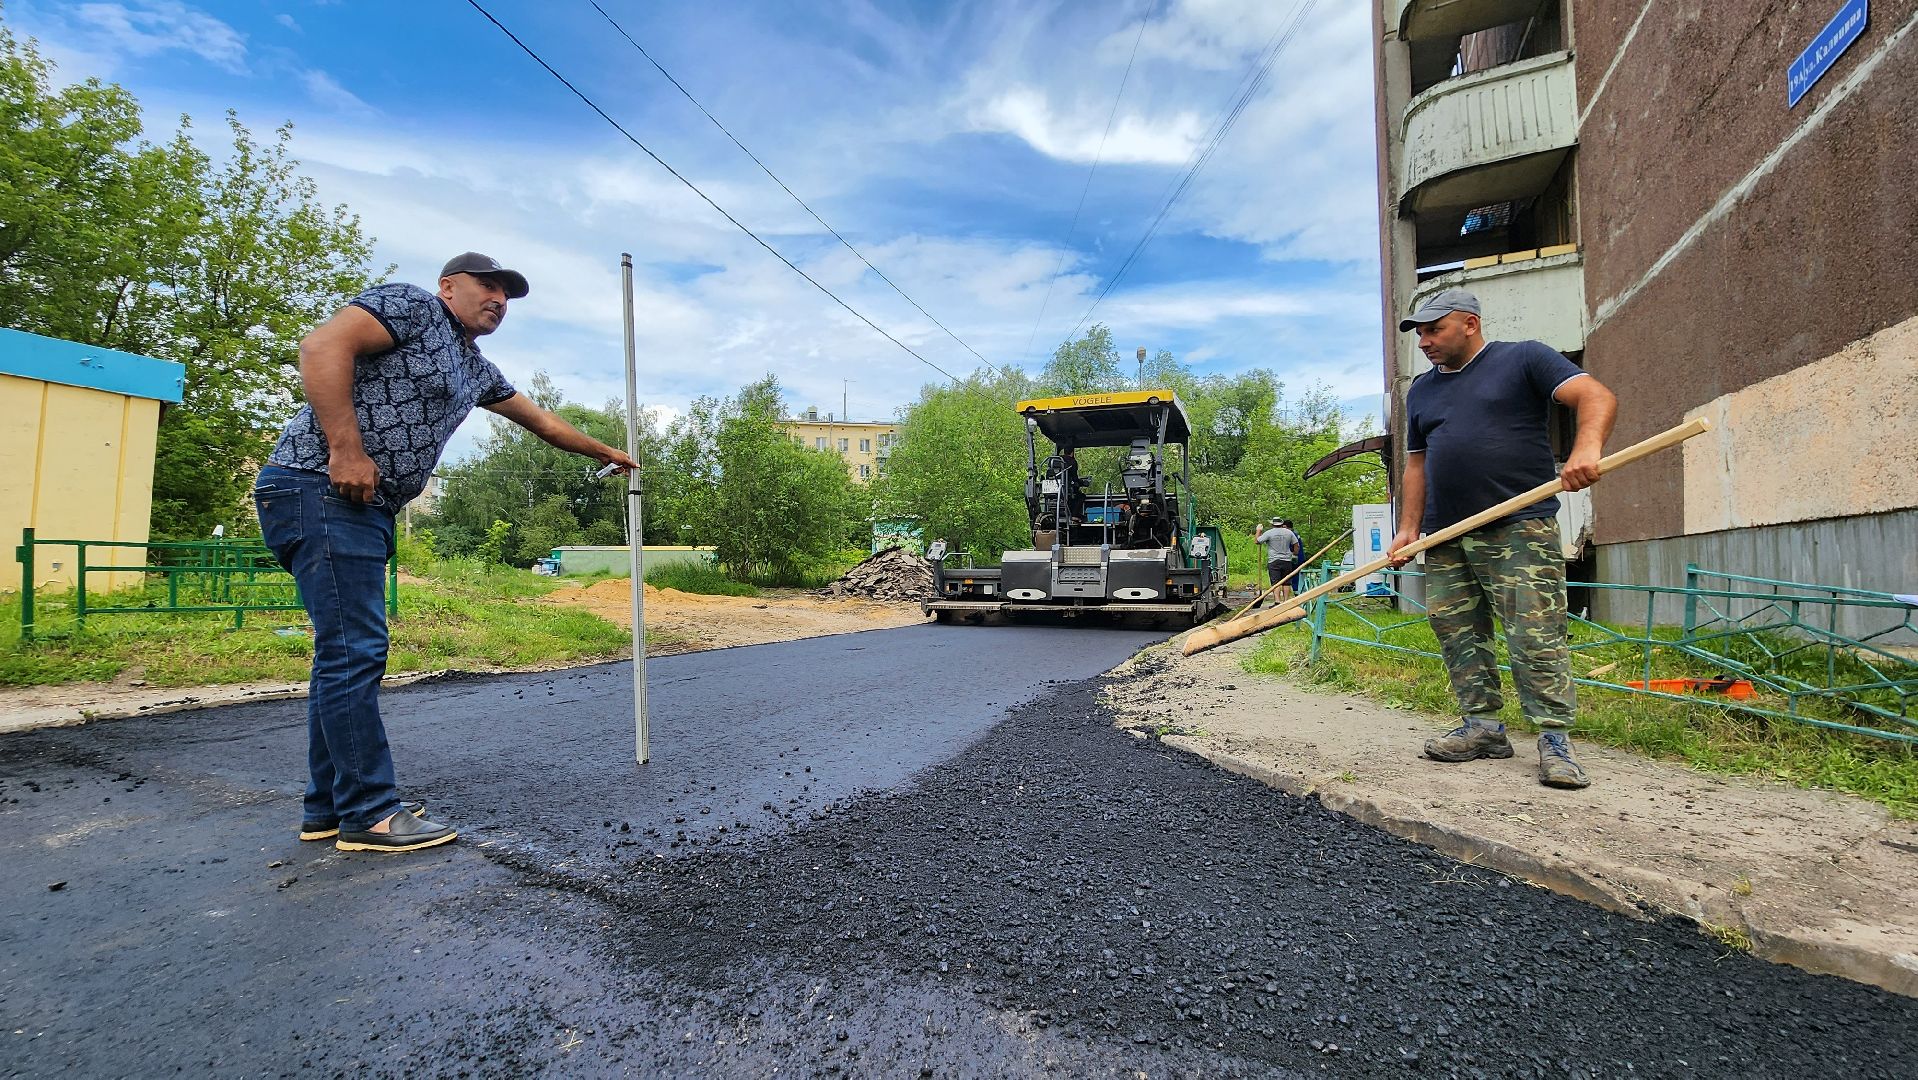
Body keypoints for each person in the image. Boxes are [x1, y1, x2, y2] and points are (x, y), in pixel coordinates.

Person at [255, 252, 639, 853]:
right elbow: (321, 347)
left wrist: (605, 452)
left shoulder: (474, 366)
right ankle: (369, 813)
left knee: (343, 653)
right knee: (355, 650)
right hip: (320, 487)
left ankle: (327, 808)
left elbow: (540, 421)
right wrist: (346, 450)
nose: (499, 299)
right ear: (448, 287)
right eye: (487, 286)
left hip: (364, 507)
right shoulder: (409, 306)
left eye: (507, 294)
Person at [1386, 288, 1616, 790]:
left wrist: (1587, 448)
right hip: (1447, 533)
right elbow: (1417, 464)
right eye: (1419, 333)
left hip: (1519, 525)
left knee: (1534, 633)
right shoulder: (1422, 391)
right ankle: (1483, 727)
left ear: (1469, 323)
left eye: (1434, 330)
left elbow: (1595, 396)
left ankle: (1554, 738)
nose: (1424, 341)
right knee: (1457, 631)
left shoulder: (1523, 358)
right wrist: (1409, 529)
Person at [1253, 517, 1300, 601]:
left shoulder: (1269, 533)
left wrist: (1258, 530)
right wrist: (1295, 554)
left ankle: (1277, 601)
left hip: (1274, 560)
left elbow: (1257, 541)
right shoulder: (1289, 533)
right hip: (1287, 560)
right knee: (1286, 582)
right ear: (1282, 524)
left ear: (1272, 524)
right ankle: (1286, 601)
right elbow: (1296, 544)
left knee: (1276, 582)